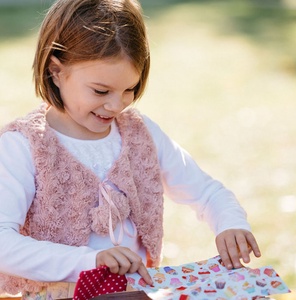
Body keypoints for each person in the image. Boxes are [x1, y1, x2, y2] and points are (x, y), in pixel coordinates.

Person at [0, 0, 261, 298]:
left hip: (132, 293)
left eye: (129, 90)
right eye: (101, 91)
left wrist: (230, 224)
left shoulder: (139, 133)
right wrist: (89, 262)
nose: (116, 105)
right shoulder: (23, 145)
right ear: (56, 70)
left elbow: (207, 192)